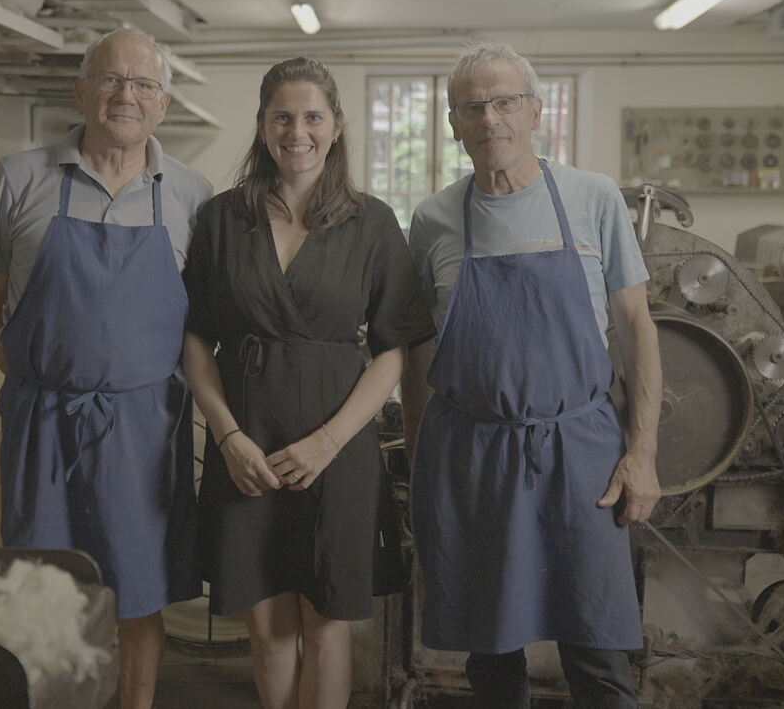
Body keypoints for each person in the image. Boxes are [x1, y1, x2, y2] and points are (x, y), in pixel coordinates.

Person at [402, 41, 663, 708]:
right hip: (473, 457)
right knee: (491, 655)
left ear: (536, 111)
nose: (490, 118)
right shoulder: (432, 219)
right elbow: (419, 353)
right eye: (472, 106)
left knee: (598, 649)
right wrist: (418, 460)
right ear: (453, 122)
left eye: (504, 101)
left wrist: (642, 453)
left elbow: (636, 328)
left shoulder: (593, 197)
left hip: (581, 453)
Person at [0, 27, 212, 709]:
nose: (125, 95)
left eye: (143, 85)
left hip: (146, 428)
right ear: (81, 91)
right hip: (43, 419)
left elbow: (202, 322)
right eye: (110, 79)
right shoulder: (19, 178)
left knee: (136, 590)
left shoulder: (192, 194)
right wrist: (44, 379)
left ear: (163, 105)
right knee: (42, 587)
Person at [181, 57, 435, 709]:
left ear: (337, 126)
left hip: (338, 447)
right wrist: (227, 434)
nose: (299, 131)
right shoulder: (219, 220)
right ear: (263, 126)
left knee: (326, 626)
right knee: (267, 631)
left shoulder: (373, 224)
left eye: (312, 116)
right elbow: (195, 339)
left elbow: (392, 350)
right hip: (247, 448)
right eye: (283, 117)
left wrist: (328, 441)